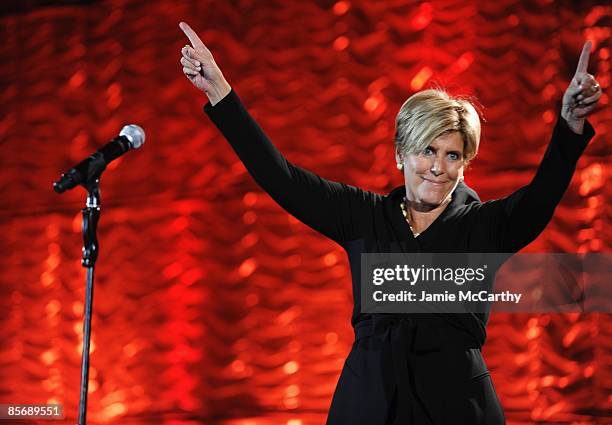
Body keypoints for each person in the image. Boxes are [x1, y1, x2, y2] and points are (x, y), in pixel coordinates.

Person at [178, 21, 602, 425]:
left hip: (455, 405)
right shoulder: (365, 216)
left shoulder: (484, 227)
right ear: (401, 154)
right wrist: (221, 93)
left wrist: (569, 125)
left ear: (464, 164)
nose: (437, 167)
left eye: (452, 155)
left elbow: (541, 197)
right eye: (426, 151)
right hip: (369, 401)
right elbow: (282, 178)